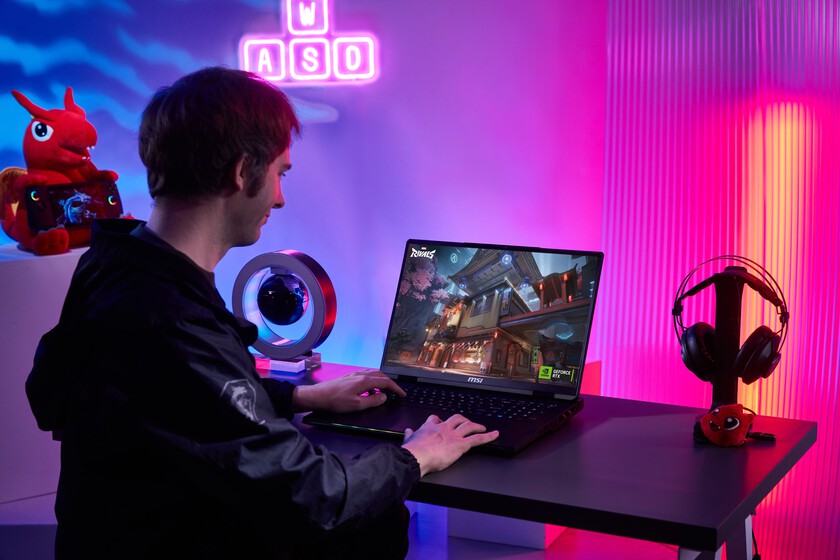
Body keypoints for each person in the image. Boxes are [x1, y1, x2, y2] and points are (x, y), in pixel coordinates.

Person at [25, 67, 498, 559]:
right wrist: (416, 455)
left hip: (108, 534)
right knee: (379, 522)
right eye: (279, 174)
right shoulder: (173, 322)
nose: (280, 197)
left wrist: (300, 396)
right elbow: (314, 495)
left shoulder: (114, 263)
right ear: (241, 170)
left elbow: (174, 399)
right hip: (176, 542)